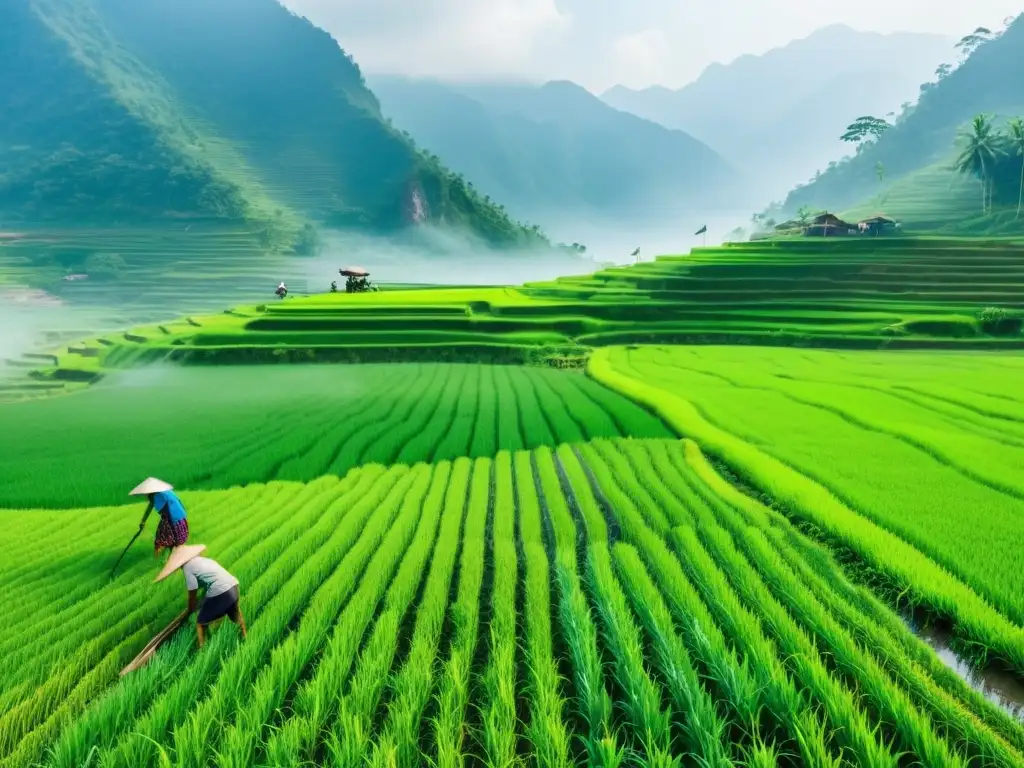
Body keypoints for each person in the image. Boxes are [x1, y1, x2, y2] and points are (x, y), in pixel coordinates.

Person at [154, 544, 246, 648]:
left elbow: (192, 592)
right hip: (233, 585)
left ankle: (202, 651)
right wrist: (201, 603)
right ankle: (245, 639)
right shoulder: (204, 561)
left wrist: (190, 610)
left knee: (201, 623)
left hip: (220, 590)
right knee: (235, 613)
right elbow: (208, 585)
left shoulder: (187, 568)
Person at [130, 477, 189, 557]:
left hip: (172, 520)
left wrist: (172, 529)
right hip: (181, 518)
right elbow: (150, 507)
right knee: (169, 541)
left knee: (165, 541)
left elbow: (168, 510)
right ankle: (170, 555)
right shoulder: (166, 492)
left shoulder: (156, 496)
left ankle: (167, 558)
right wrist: (143, 521)